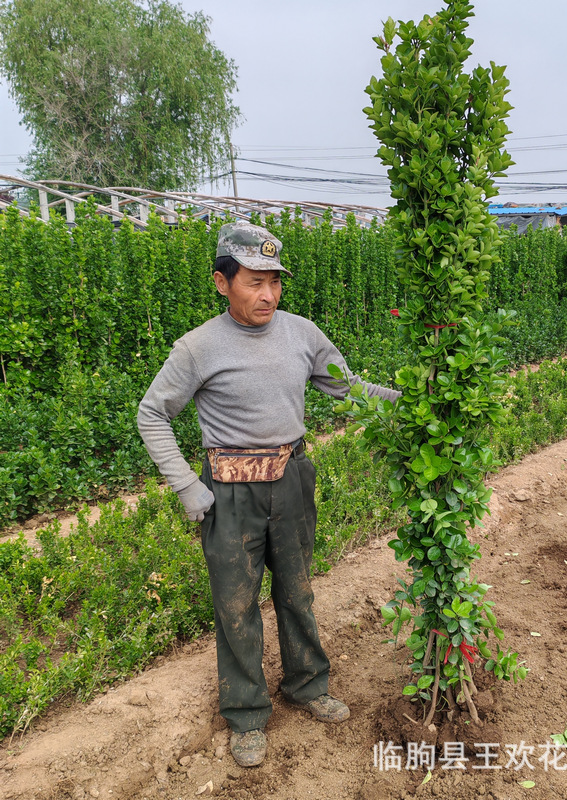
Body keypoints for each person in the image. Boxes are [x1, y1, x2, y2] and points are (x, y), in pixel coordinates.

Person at [137, 221, 399, 768]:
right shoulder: (197, 348)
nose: (269, 295)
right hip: (230, 494)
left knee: (298, 591)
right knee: (236, 604)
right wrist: (187, 485)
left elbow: (347, 388)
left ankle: (307, 683)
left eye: (275, 282)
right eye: (255, 282)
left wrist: (413, 403)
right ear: (221, 282)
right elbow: (152, 413)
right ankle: (247, 713)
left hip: (293, 480)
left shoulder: (301, 334)